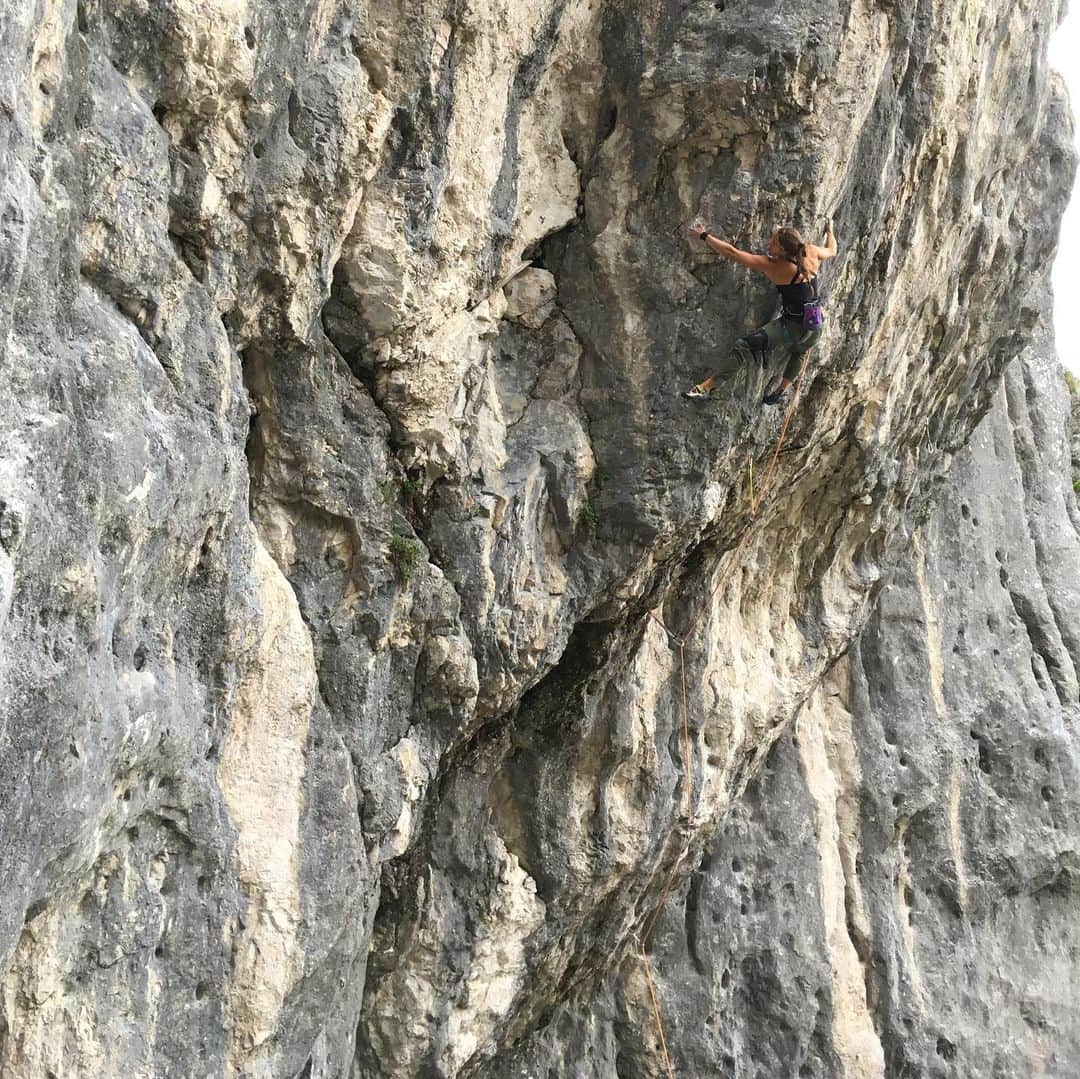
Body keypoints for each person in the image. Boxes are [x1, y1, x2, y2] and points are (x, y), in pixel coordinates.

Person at [683, 221, 836, 405]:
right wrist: (830, 231)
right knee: (800, 351)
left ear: (782, 250)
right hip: (815, 325)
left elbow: (734, 253)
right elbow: (832, 249)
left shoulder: (776, 266)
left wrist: (704, 235)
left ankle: (706, 388)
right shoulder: (810, 251)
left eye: (773, 243)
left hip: (793, 328)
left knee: (744, 346)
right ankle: (780, 391)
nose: (768, 245)